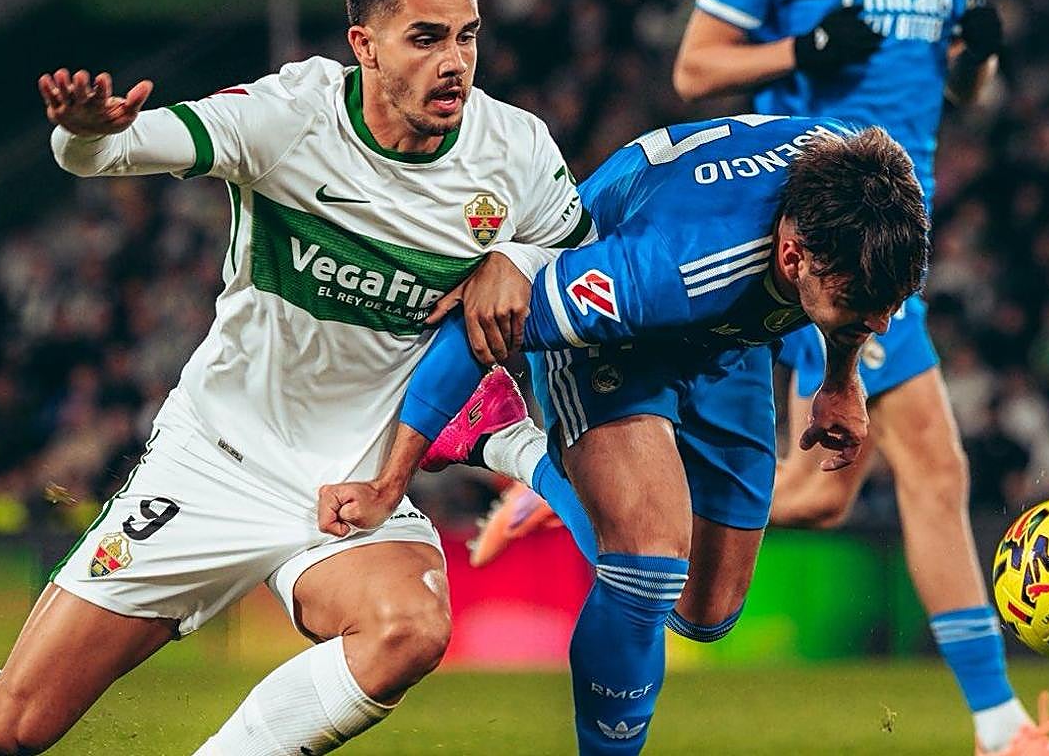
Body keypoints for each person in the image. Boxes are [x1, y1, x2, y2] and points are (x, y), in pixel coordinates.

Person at [0, 0, 592, 755]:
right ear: (364, 46)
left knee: (408, 628)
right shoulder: (288, 117)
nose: (454, 62)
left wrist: (517, 259)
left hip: (351, 490)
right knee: (14, 726)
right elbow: (114, 147)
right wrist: (83, 134)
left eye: (466, 36)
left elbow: (585, 261)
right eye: (425, 38)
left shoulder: (515, 150)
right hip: (216, 461)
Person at [315, 116, 932, 754]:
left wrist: (841, 381)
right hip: (620, 336)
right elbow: (480, 322)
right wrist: (389, 481)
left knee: (703, 611)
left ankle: (526, 454)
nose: (882, 323)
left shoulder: (869, 203)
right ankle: (498, 432)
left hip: (727, 335)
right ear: (792, 255)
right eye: (860, 304)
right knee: (648, 564)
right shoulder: (661, 266)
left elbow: (862, 302)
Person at [667, 0, 1049, 755]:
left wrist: (977, 58)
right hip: (833, 238)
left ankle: (624, 495)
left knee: (821, 495)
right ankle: (1001, 729)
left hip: (905, 234)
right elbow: (694, 69)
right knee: (935, 466)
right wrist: (804, 50)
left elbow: (963, 92)